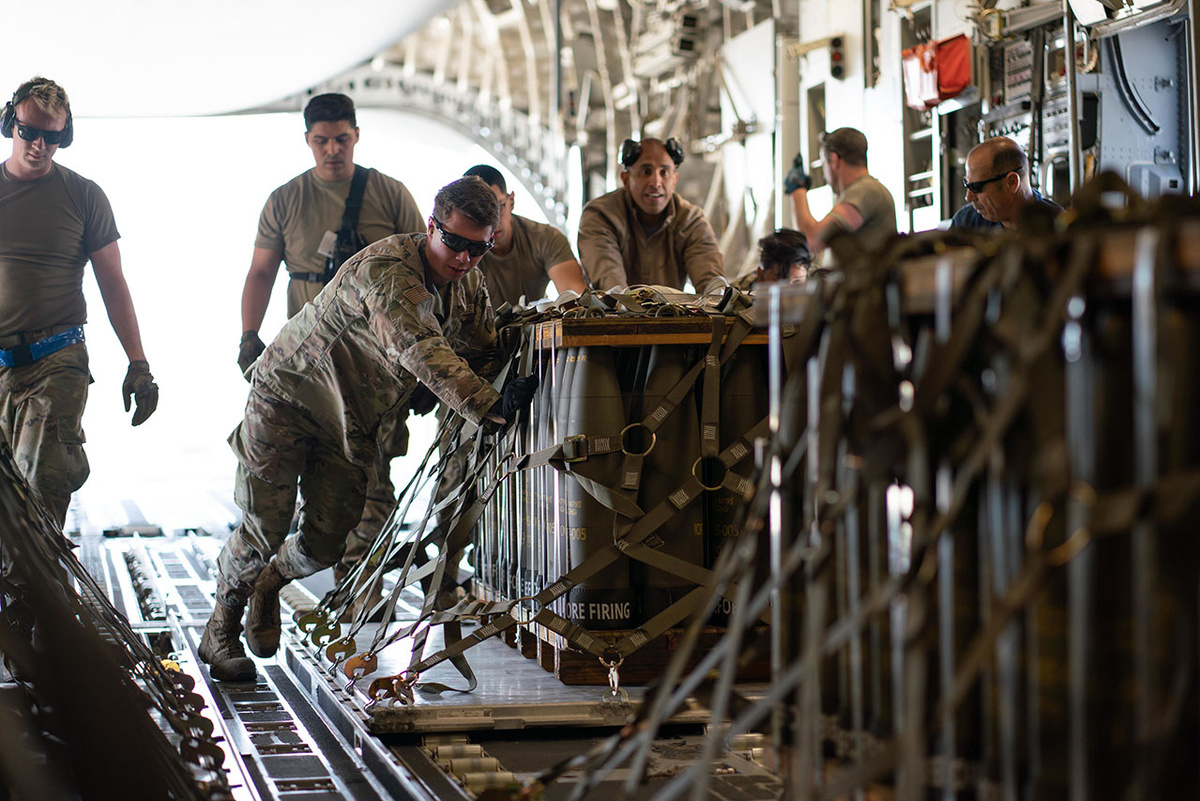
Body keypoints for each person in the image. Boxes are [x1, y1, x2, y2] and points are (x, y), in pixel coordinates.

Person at [199, 177, 538, 682]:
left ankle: (270, 583)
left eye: (480, 248)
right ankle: (221, 629)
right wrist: (489, 403)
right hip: (286, 400)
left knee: (327, 540)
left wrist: (518, 365)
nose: (465, 259)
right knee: (263, 528)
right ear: (431, 227)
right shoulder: (388, 271)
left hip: (351, 421)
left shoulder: (466, 285)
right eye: (456, 243)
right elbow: (419, 347)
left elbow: (481, 343)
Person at [236, 93, 426, 597]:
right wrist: (249, 336)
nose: (332, 150)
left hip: (375, 371)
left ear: (357, 135)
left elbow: (422, 275)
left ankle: (354, 593)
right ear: (307, 141)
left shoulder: (389, 194)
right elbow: (261, 272)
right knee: (301, 481)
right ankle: (284, 577)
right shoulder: (285, 199)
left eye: (342, 139)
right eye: (321, 141)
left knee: (372, 481)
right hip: (307, 371)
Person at [0, 77, 158, 528]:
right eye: (29, 131)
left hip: (56, 361)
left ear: (64, 137)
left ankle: (45, 594)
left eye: (51, 137)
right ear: (12, 124)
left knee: (41, 488)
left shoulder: (84, 196)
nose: (38, 145)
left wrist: (138, 364)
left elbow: (114, 285)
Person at [577, 138, 725, 293]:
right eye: (646, 172)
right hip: (615, 316)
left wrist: (717, 295)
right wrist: (622, 303)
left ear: (674, 181)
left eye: (664, 173)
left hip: (672, 316)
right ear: (626, 180)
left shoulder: (691, 221)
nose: (656, 182)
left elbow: (712, 283)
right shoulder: (601, 216)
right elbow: (610, 283)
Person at [462, 164, 587, 305]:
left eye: (497, 207)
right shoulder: (460, 251)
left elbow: (577, 301)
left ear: (511, 201)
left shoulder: (545, 238)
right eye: (479, 214)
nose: (491, 223)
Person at [785, 127, 897, 261]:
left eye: (824, 164)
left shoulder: (866, 190)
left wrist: (797, 190)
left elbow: (812, 239)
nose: (824, 174)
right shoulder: (864, 191)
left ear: (834, 160)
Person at [949, 137, 1062, 231]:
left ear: (1011, 183)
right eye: (967, 184)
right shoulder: (966, 223)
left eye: (976, 187)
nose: (968, 197)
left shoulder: (1059, 230)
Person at [733, 228, 812, 291]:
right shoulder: (733, 299)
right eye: (780, 282)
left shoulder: (817, 285)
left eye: (797, 283)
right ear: (761, 275)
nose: (789, 291)